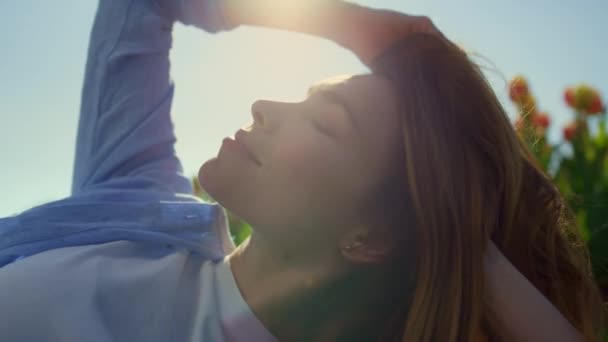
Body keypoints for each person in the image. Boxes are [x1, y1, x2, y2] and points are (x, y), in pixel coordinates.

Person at [0, 0, 604, 341]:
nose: (266, 107)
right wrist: (349, 25)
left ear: (368, 237)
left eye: (325, 122)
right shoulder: (136, 206)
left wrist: (467, 244)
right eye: (305, 96)